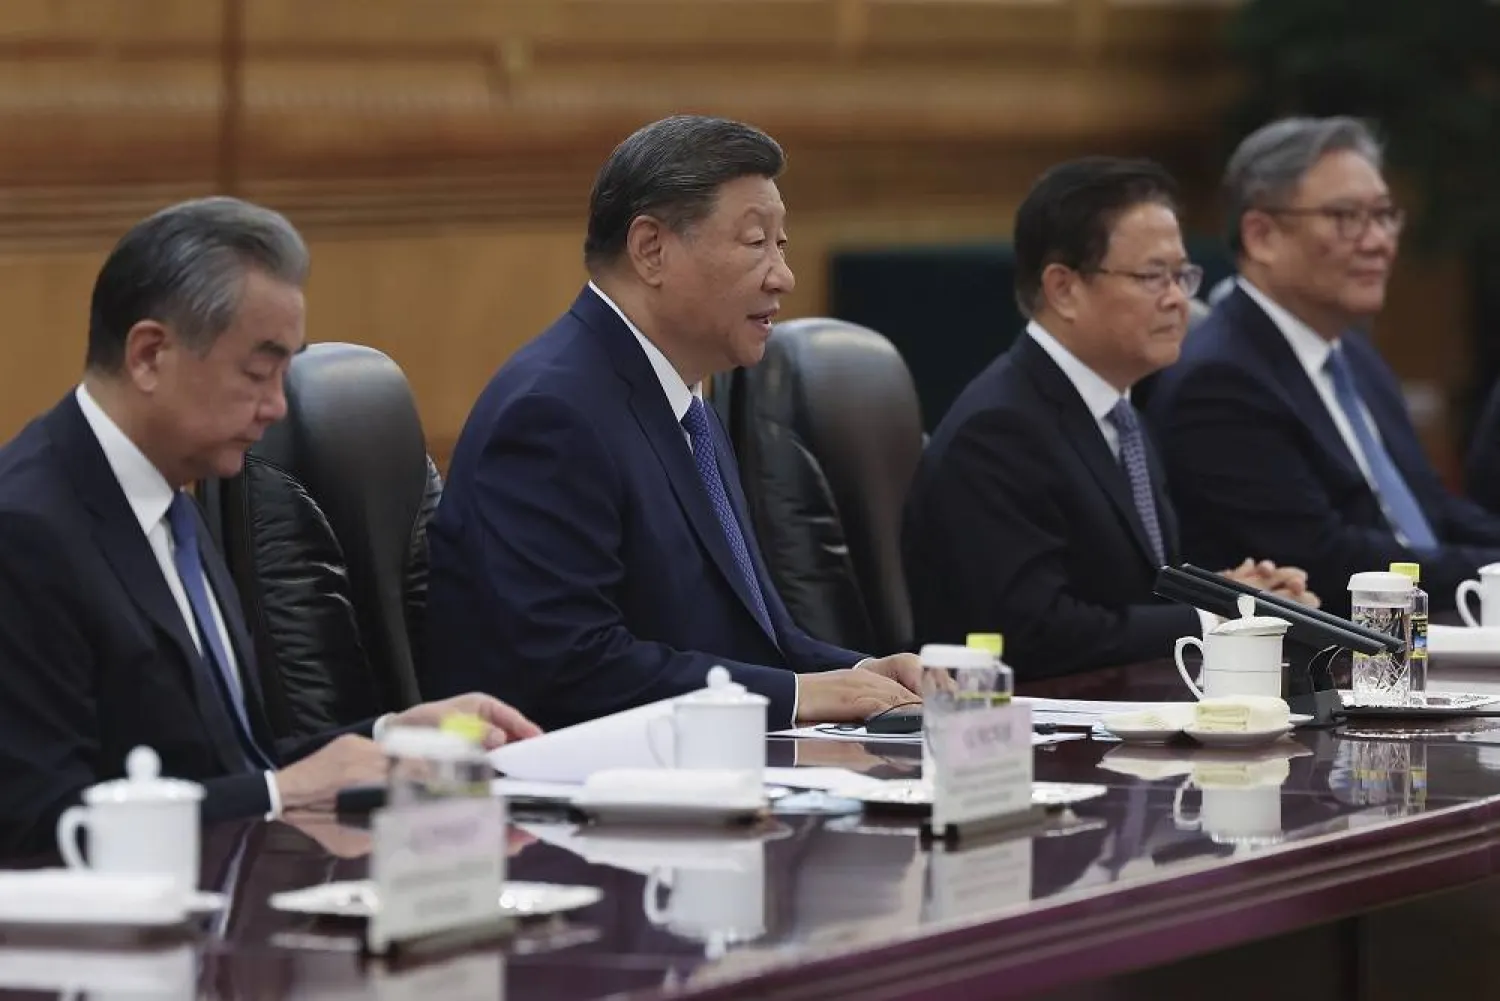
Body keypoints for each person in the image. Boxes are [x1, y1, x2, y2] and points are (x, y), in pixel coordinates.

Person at [0, 197, 540, 856]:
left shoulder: (177, 503)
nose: (279, 406)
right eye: (258, 373)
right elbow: (35, 824)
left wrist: (394, 735)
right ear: (148, 355)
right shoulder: (25, 531)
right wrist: (279, 796)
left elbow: (228, 761)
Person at [425, 115, 921, 731]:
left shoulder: (686, 401)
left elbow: (755, 639)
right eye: (754, 242)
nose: (783, 276)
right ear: (651, 250)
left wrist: (868, 673)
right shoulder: (552, 413)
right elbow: (569, 668)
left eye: (782, 245)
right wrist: (797, 696)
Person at [903, 158, 1316, 679]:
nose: (1177, 300)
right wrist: (1216, 616)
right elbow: (1032, 633)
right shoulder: (1001, 431)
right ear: (1064, 289)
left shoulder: (1120, 412)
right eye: (1151, 276)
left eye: (1182, 275)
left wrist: (1232, 594)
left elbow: (1119, 592)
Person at [1147, 117, 1500, 616]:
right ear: (1262, 234)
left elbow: (1433, 510)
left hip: (1430, 627)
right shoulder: (1220, 379)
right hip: (1326, 665)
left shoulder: (1350, 352)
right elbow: (1324, 560)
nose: (1378, 241)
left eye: (1384, 216)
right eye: (1346, 217)